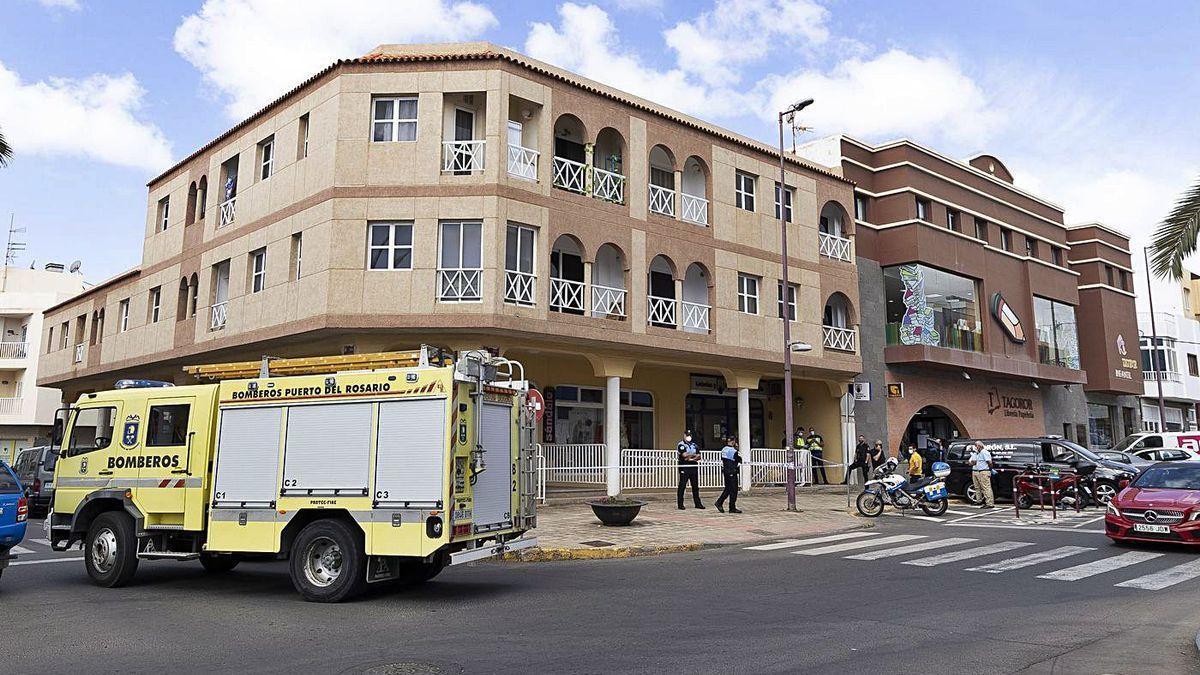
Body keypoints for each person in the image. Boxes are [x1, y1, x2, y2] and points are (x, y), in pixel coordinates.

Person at [676, 429, 705, 510]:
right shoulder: (681, 445)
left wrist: (691, 457)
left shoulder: (694, 445)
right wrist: (693, 456)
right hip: (684, 467)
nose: (688, 437)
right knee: (682, 485)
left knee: (695, 486)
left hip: (693, 466)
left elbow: (699, 456)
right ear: (684, 435)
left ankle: (698, 503)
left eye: (690, 435)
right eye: (687, 435)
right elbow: (684, 455)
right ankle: (680, 504)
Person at [715, 436, 742, 513]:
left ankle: (721, 503)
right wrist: (737, 448)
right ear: (733, 441)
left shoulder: (724, 449)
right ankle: (730, 507)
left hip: (726, 471)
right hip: (732, 472)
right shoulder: (733, 451)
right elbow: (739, 459)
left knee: (728, 489)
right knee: (733, 490)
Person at [968, 440, 995, 508]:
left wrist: (989, 470)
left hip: (984, 471)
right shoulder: (979, 453)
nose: (975, 447)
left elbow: (989, 462)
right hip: (981, 471)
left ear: (979, 446)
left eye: (976, 446)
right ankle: (986, 502)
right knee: (984, 487)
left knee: (986, 488)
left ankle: (989, 503)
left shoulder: (984, 452)